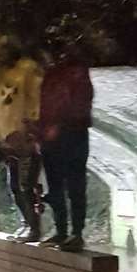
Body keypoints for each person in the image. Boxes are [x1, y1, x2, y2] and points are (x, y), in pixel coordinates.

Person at [39, 41, 93, 252]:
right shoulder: (51, 75)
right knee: (55, 186)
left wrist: (58, 126)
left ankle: (76, 233)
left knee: (75, 185)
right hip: (52, 138)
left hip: (73, 135)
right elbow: (44, 106)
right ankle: (61, 231)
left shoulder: (76, 72)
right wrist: (40, 131)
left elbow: (80, 103)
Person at [0, 35, 44, 242]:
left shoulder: (28, 69)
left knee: (25, 185)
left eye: (5, 49)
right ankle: (26, 223)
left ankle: (35, 228)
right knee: (14, 186)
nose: (2, 54)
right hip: (7, 140)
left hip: (24, 138)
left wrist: (32, 127)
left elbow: (35, 99)